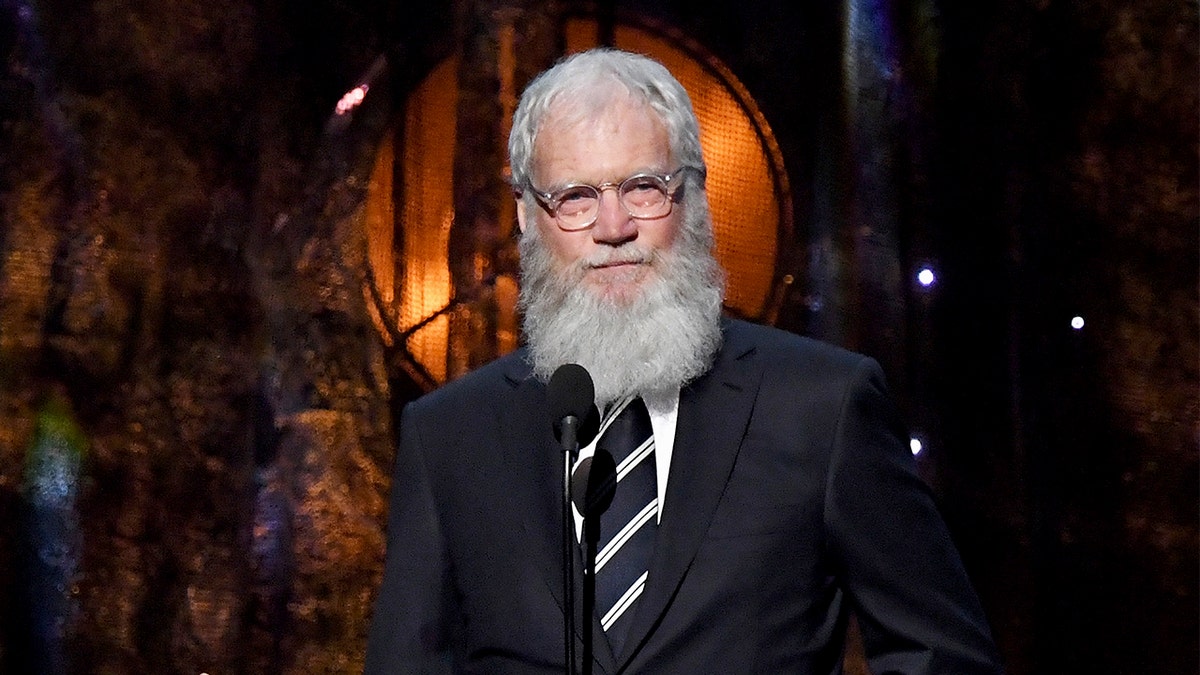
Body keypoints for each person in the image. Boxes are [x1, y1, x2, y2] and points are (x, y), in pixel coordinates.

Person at [364, 48, 1003, 674]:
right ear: (529, 217)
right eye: (577, 197)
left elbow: (942, 655)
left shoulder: (823, 405)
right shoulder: (450, 435)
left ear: (694, 196)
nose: (613, 227)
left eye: (644, 188)